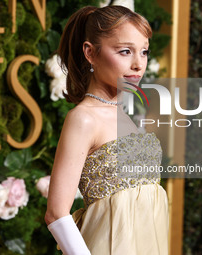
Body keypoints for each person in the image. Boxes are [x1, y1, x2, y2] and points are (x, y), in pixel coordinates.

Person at [44, 5, 169, 255]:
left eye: (144, 52)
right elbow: (56, 213)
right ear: (90, 53)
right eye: (125, 51)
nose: (138, 64)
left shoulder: (124, 115)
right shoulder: (83, 119)